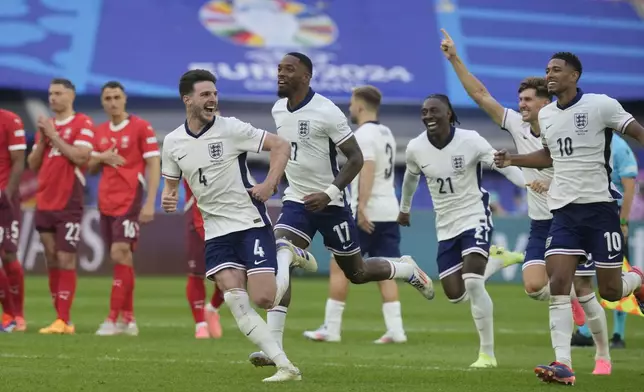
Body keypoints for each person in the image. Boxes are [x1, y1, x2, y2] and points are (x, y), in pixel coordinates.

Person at [248, 53, 435, 368]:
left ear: (306, 76)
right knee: (280, 254)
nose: (280, 74)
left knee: (357, 272)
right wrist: (277, 177)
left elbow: (356, 159)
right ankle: (273, 347)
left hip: (332, 204)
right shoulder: (278, 109)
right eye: (278, 69)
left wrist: (329, 192)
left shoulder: (327, 111)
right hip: (297, 201)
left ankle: (406, 269)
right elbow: (286, 151)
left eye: (288, 69)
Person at [439, 29, 609, 369]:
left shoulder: (564, 124)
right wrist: (455, 58)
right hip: (541, 222)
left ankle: (603, 356)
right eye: (520, 101)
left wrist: (555, 182)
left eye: (528, 100)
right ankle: (571, 308)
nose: (521, 106)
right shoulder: (516, 125)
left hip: (574, 215)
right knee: (534, 287)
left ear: (545, 103)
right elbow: (481, 95)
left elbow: (580, 166)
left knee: (588, 293)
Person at [493, 52, 644, 385]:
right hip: (563, 213)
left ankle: (638, 279)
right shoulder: (546, 115)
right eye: (547, 70)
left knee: (611, 291)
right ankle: (563, 364)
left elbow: (637, 131)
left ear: (574, 75)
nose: (550, 74)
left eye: (557, 70)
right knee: (559, 284)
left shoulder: (600, 105)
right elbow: (549, 155)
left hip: (601, 210)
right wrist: (513, 158)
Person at [161, 69, 312, 382]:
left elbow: (281, 146)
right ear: (187, 99)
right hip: (215, 231)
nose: (212, 99)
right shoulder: (173, 142)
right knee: (234, 299)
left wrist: (270, 184)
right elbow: (171, 186)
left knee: (263, 299)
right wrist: (168, 197)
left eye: (214, 94)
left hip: (248, 222)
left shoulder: (231, 129)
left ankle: (285, 254)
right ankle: (286, 366)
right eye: (205, 94)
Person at [399, 93, 525, 368]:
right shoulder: (415, 148)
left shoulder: (471, 140)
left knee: (473, 283)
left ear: (449, 114)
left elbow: (503, 166)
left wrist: (527, 184)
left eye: (434, 111)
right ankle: (498, 260)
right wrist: (404, 207)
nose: (428, 115)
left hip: (475, 216)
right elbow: (410, 178)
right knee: (456, 295)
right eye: (424, 111)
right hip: (445, 226)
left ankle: (487, 355)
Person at [302, 85, 407, 344]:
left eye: (351, 103)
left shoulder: (363, 134)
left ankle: (332, 328)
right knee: (386, 269)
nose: (350, 108)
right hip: (388, 209)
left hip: (368, 211)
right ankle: (396, 330)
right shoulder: (386, 133)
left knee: (339, 267)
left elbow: (367, 168)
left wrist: (361, 207)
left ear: (360, 106)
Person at [89, 81, 161, 336]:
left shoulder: (141, 127)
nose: (112, 102)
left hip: (130, 198)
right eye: (107, 98)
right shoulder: (99, 131)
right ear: (102, 101)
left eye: (116, 97)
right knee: (121, 258)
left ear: (125, 98)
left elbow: (153, 163)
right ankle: (128, 319)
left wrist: (151, 201)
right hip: (105, 200)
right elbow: (90, 167)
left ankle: (111, 319)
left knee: (120, 252)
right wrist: (101, 157)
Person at [27, 78, 95, 334]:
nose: (52, 98)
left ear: (71, 96)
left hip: (69, 200)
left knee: (66, 258)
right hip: (44, 200)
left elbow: (80, 156)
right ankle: (60, 318)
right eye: (50, 94)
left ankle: (63, 319)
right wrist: (44, 140)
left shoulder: (83, 123)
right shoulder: (47, 128)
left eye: (57, 93)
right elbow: (33, 165)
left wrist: (54, 136)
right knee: (52, 258)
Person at [572, 133, 638, 349]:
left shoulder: (619, 147)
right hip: (589, 213)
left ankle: (618, 334)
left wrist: (623, 221)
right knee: (584, 272)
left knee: (614, 275)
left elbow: (629, 186)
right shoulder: (588, 141)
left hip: (612, 214)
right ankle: (585, 331)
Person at [183, 178, 224, 339]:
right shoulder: (188, 154)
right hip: (197, 216)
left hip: (225, 217)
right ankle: (200, 324)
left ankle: (212, 309)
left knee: (233, 273)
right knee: (196, 273)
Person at [0, 109, 26, 332]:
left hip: (4, 200)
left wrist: (6, 194)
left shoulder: (10, 119)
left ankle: (17, 314)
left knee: (8, 254)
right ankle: (8, 315)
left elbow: (19, 161)